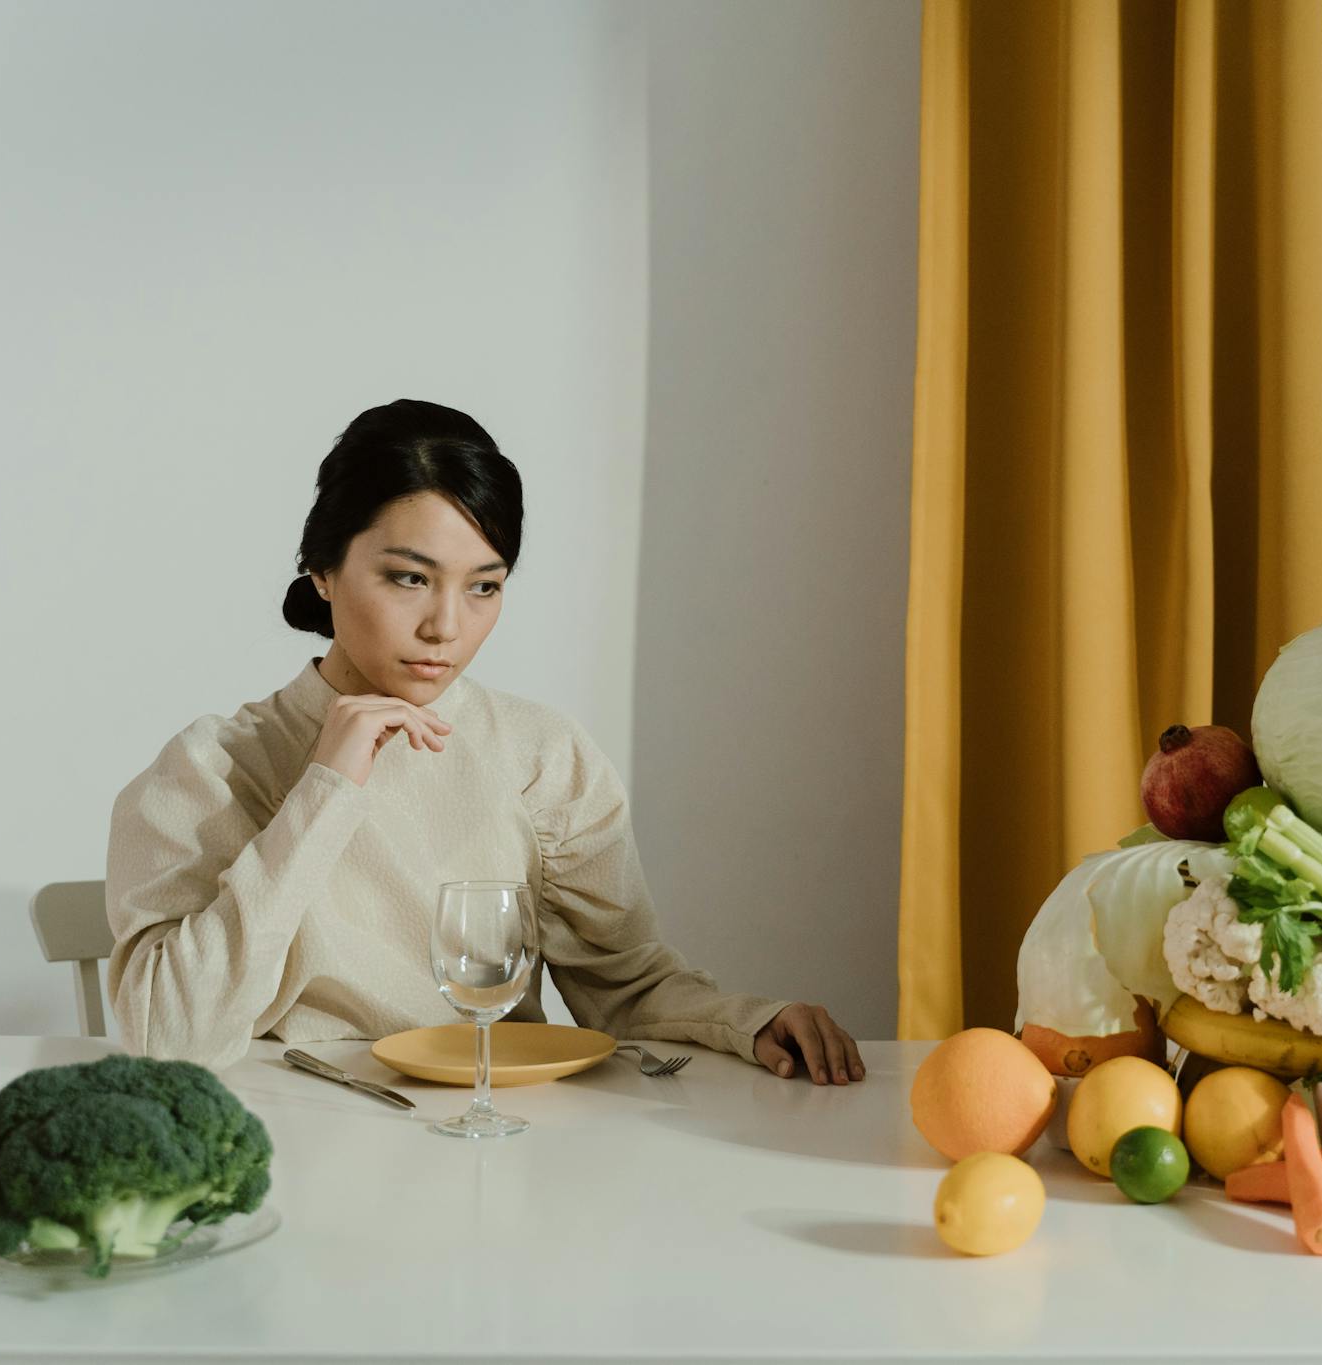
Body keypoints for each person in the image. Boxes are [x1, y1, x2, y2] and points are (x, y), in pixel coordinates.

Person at [105, 399, 865, 1085]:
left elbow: (624, 986)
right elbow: (169, 1038)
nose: (446, 626)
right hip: (304, 1146)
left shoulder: (540, 755)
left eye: (484, 586)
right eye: (409, 578)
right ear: (323, 569)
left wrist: (750, 1021)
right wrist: (324, 790)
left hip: (501, 1143)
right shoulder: (209, 770)